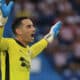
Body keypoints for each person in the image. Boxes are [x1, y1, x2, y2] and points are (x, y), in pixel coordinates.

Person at [0, 0, 62, 80]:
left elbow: (38, 47)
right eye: (28, 26)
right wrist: (2, 20)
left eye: (33, 26)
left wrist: (51, 34)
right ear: (18, 31)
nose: (33, 29)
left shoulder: (27, 51)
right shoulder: (8, 44)